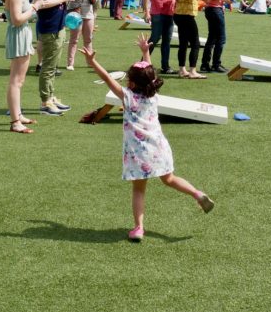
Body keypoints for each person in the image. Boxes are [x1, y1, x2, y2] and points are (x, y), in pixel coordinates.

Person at [81, 35, 215, 243]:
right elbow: (149, 75)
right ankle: (197, 194)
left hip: (138, 153)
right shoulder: (153, 95)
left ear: (132, 82)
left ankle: (139, 228)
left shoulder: (128, 96)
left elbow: (107, 78)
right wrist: (145, 53)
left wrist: (92, 62)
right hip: (158, 147)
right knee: (169, 179)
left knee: (138, 189)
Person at [33, 0, 86, 115]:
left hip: (59, 25)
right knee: (48, 67)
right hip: (49, 27)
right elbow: (41, 3)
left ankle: (51, 96)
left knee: (53, 65)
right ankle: (45, 102)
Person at [4, 0, 42, 134]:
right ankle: (15, 122)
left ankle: (18, 115)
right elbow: (17, 19)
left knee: (19, 80)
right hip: (19, 34)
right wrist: (35, 7)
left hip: (22, 34)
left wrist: (36, 3)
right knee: (16, 81)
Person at [174, 0, 219, 79]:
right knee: (195, 43)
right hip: (187, 15)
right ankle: (192, 71)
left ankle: (182, 70)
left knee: (183, 43)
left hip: (178, 14)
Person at [143, 0, 181, 75]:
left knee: (167, 40)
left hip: (170, 13)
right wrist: (147, 11)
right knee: (155, 38)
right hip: (157, 12)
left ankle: (165, 67)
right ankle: (143, 64)